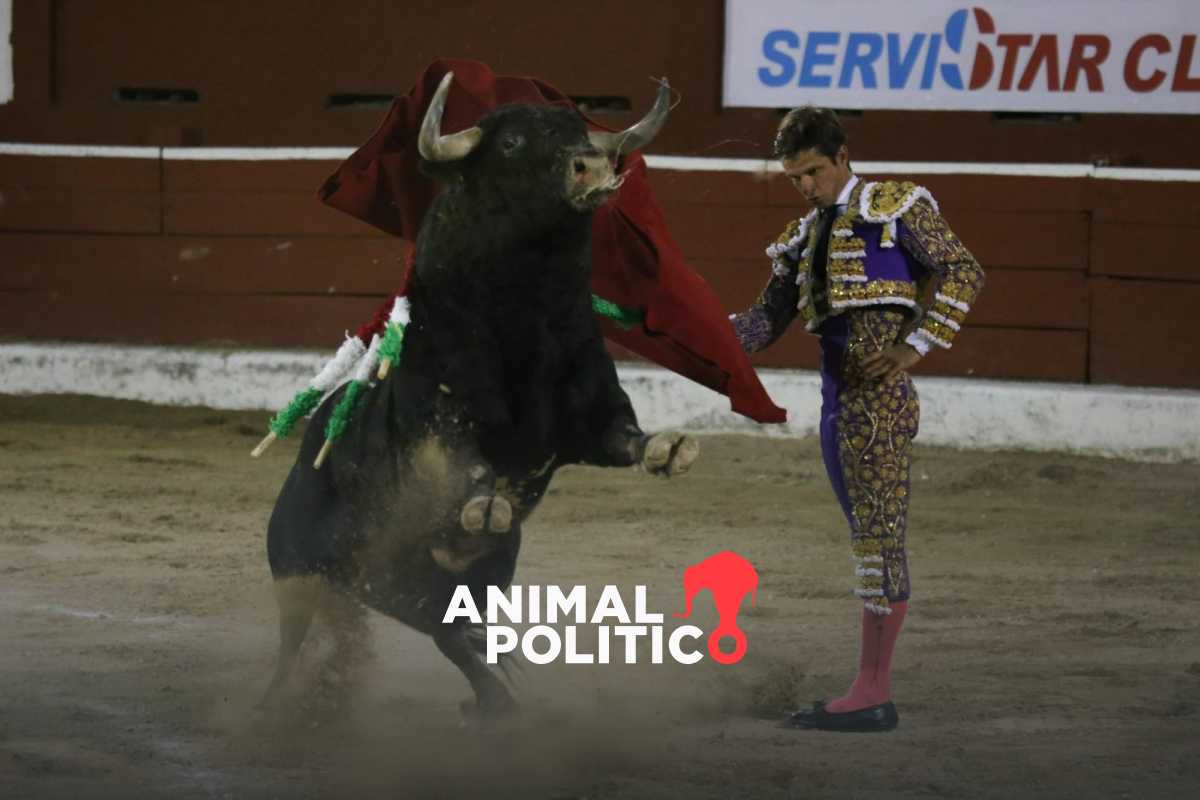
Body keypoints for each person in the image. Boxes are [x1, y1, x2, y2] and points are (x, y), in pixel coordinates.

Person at [731, 106, 984, 732]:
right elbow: (761, 324)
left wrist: (912, 348)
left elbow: (963, 270)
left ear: (842, 156)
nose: (806, 186)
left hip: (879, 405)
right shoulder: (802, 237)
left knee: (878, 540)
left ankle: (873, 693)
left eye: (814, 172)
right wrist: (679, 327)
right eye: (795, 177)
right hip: (837, 407)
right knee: (867, 536)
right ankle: (870, 687)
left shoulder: (896, 207)